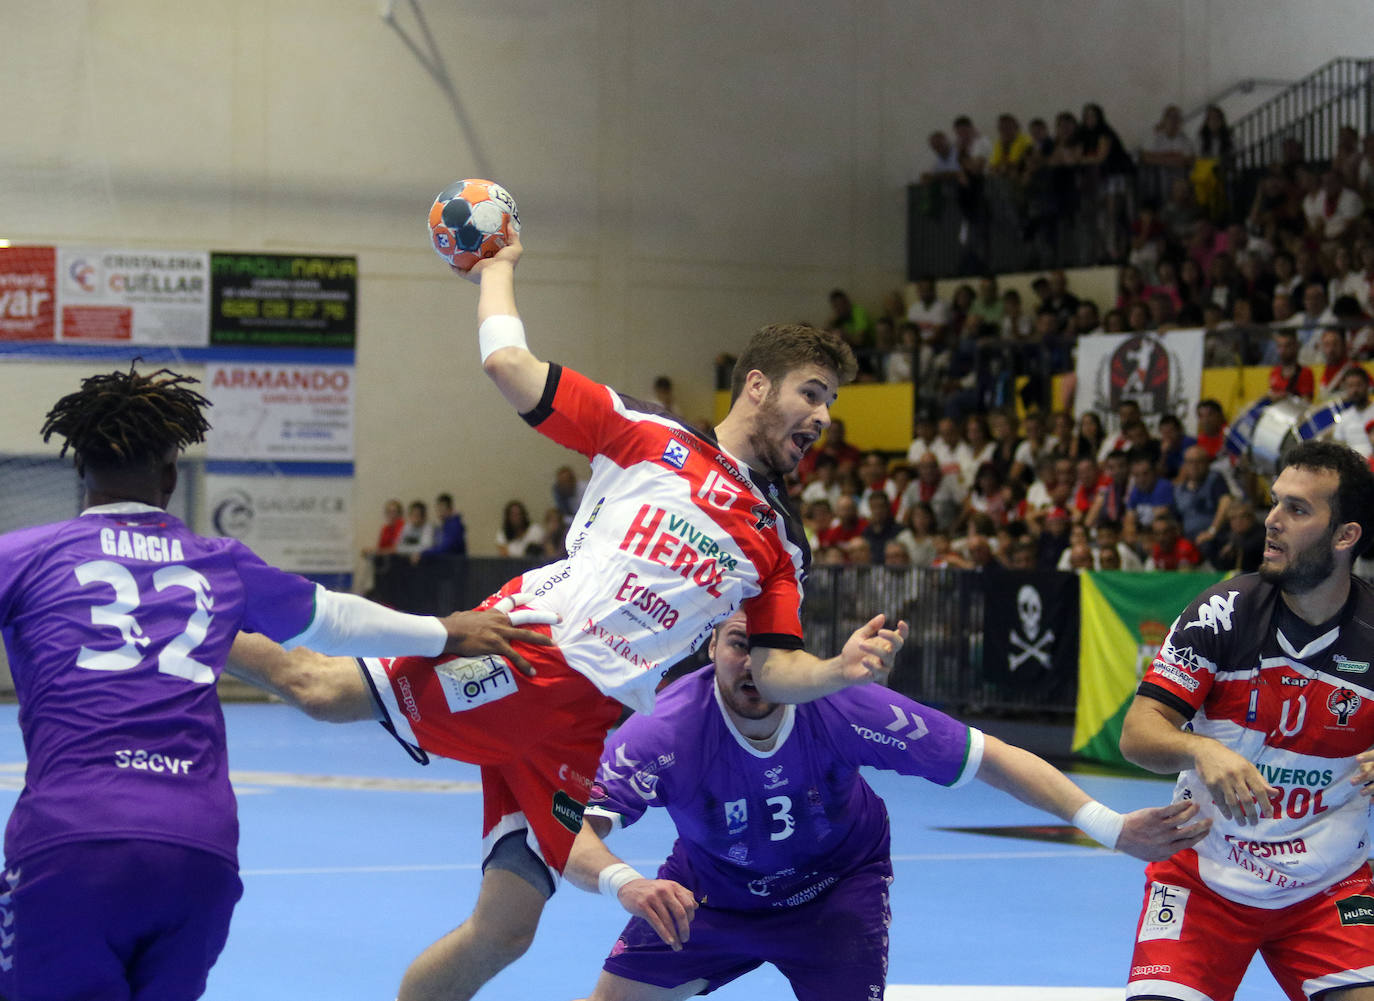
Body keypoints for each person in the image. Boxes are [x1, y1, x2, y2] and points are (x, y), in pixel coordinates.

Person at [233, 233, 911, 1001]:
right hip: (532, 652)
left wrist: (837, 669)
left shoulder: (780, 540)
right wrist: (497, 268)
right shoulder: (647, 434)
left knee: (504, 931)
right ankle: (196, 606)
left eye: (830, 403)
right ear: (757, 385)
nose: (822, 416)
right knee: (321, 689)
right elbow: (508, 364)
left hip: (585, 719)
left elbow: (774, 667)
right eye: (812, 393)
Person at [0, 365, 553, 1001]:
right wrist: (445, 631)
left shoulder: (28, 556)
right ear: (171, 476)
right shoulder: (219, 562)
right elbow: (336, 620)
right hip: (198, 849)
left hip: (69, 840)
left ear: (80, 470)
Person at [565, 611, 1208, 1001]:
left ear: (796, 654)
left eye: (770, 650)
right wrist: (625, 882)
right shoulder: (662, 731)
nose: (754, 665)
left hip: (835, 895)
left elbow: (992, 756)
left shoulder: (842, 704)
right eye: (738, 644)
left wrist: (1109, 826)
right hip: (709, 898)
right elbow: (567, 830)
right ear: (710, 648)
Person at [1119, 440, 1374, 1001]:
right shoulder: (1221, 613)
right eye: (1276, 501)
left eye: (1297, 509)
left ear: (1345, 536)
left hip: (1329, 888)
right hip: (1203, 875)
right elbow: (1138, 732)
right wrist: (1200, 749)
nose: (1272, 520)